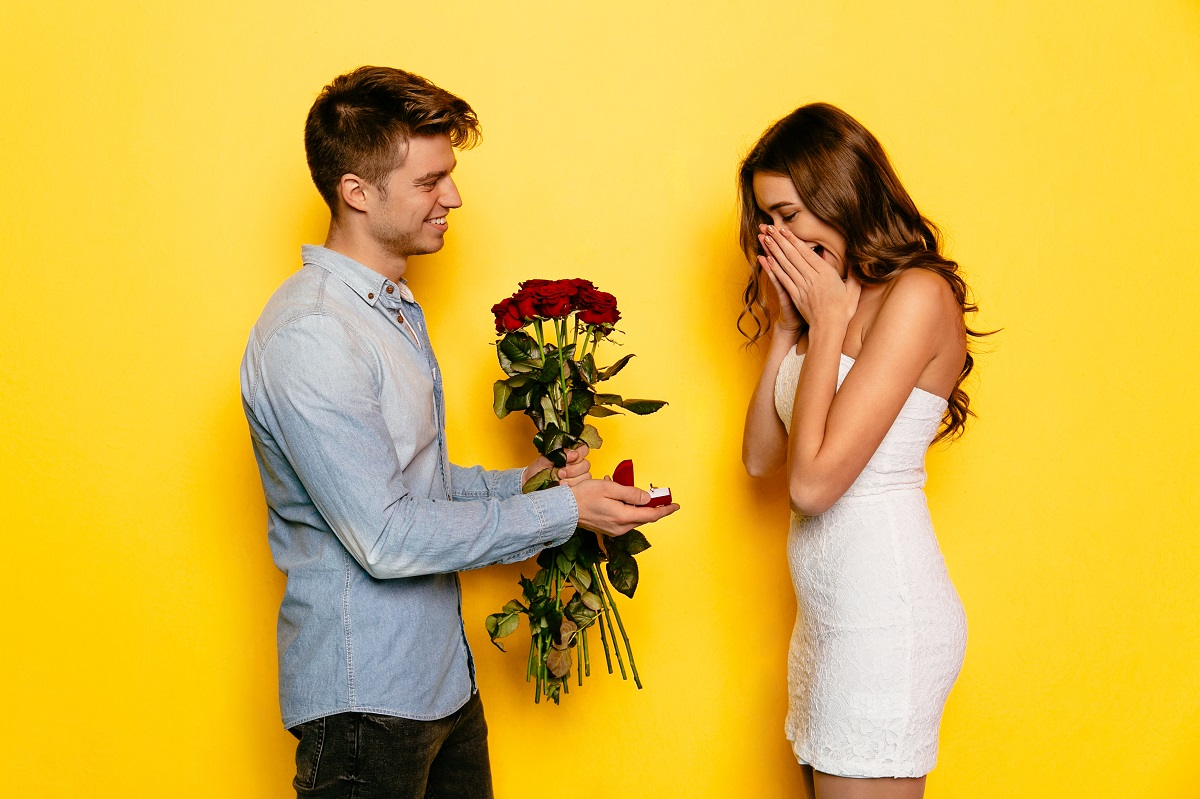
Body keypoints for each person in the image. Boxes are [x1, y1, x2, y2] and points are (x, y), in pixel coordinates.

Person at [240, 66, 677, 799]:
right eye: (429, 181)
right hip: (365, 705)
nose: (454, 197)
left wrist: (548, 483)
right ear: (356, 191)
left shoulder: (390, 309)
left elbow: (423, 484)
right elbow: (388, 535)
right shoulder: (313, 332)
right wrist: (567, 511)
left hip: (440, 684)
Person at [739, 103, 982, 798]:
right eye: (767, 219)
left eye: (788, 213)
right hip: (827, 625)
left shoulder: (916, 295)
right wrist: (788, 332)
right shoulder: (827, 301)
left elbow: (812, 485)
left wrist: (832, 317)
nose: (776, 236)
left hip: (885, 622)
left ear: (839, 193)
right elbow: (761, 457)